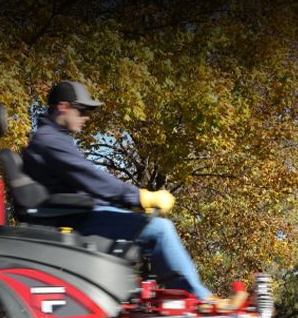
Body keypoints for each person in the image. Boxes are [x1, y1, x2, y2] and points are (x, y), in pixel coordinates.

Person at [22, 81, 219, 302]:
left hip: (76, 213)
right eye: (83, 110)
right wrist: (140, 197)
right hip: (75, 219)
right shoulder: (49, 141)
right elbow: (91, 178)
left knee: (148, 224)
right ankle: (200, 300)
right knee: (160, 229)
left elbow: (84, 183)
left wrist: (128, 202)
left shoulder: (53, 139)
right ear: (63, 107)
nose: (87, 117)